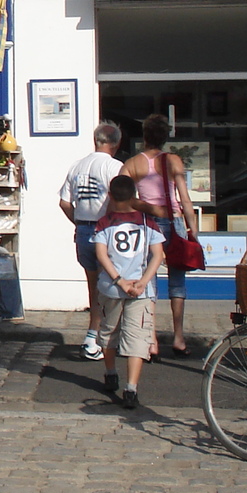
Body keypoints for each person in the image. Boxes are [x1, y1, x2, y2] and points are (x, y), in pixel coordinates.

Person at [122, 113, 200, 358]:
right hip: (174, 221)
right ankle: (178, 337)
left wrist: (147, 207)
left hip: (148, 224)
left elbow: (121, 195)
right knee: (177, 281)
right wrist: (193, 231)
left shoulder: (134, 163)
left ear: (144, 137)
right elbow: (185, 199)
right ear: (165, 137)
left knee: (149, 280)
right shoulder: (174, 161)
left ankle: (151, 339)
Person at [91, 175, 165, 410]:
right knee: (137, 336)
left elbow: (101, 255)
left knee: (109, 330)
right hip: (140, 289)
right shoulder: (147, 222)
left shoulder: (104, 223)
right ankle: (131, 388)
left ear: (110, 195)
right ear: (135, 196)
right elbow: (158, 254)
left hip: (113, 287)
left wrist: (119, 280)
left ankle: (111, 372)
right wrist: (143, 281)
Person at [58, 122, 125, 362]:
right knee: (116, 284)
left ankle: (92, 336)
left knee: (93, 286)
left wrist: (78, 222)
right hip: (105, 229)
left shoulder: (77, 166)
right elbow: (120, 200)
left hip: (84, 228)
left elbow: (64, 202)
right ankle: (109, 338)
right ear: (116, 144)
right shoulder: (114, 166)